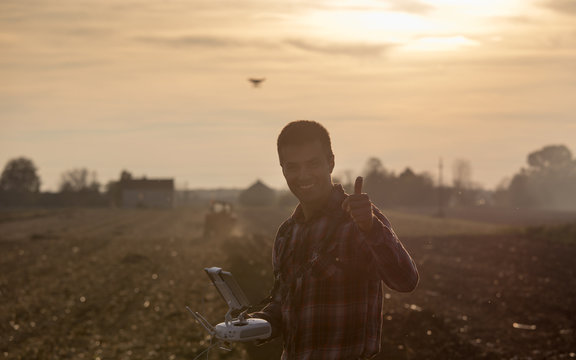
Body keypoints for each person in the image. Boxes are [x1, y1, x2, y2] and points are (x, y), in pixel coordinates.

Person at [251, 120, 419, 360]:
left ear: (331, 162)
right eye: (293, 167)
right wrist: (260, 323)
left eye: (313, 164)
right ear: (283, 169)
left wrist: (370, 228)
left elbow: (406, 280)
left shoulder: (359, 219)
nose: (303, 175)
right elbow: (284, 301)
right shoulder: (287, 233)